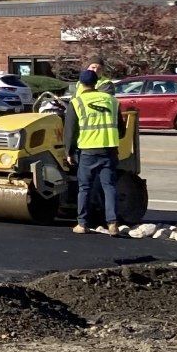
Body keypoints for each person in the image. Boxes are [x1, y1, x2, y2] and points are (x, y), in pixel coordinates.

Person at [65, 67, 123, 235]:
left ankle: (82, 224)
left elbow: (70, 131)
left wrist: (68, 152)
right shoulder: (112, 101)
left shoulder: (77, 102)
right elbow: (121, 128)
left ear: (81, 84)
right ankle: (112, 224)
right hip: (109, 149)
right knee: (109, 186)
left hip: (88, 150)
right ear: (97, 82)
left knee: (84, 188)